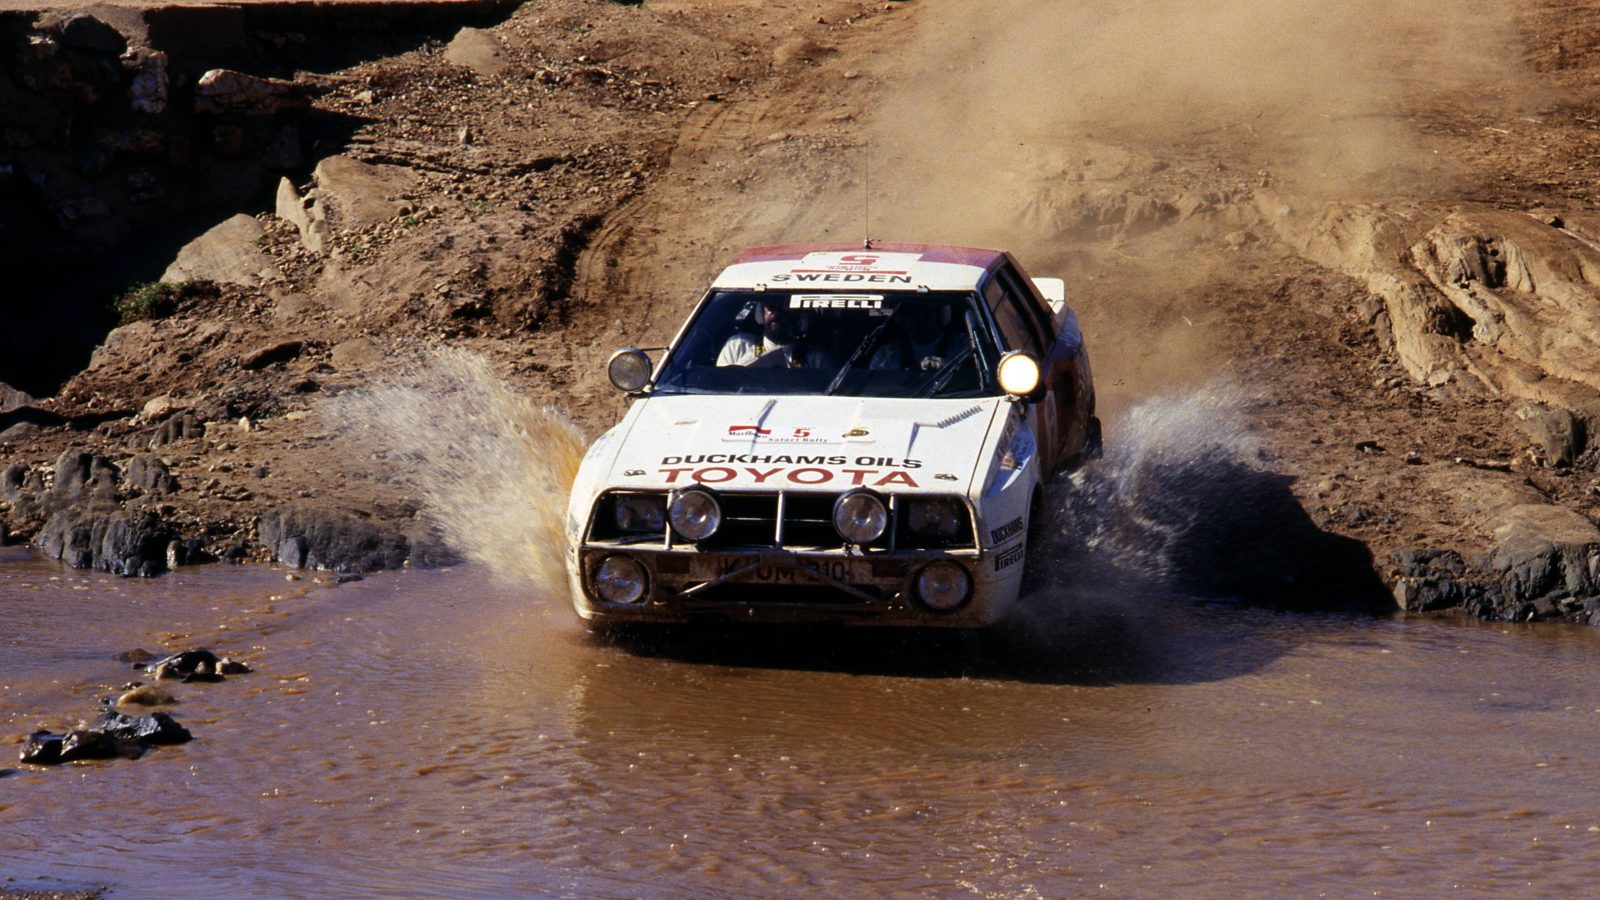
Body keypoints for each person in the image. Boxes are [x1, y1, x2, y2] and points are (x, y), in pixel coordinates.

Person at [717, 300, 827, 367]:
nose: (777, 313)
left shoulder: (816, 359)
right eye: (772, 307)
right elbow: (721, 384)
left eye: (786, 309)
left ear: (800, 317)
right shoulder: (738, 345)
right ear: (761, 313)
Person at [870, 302, 961, 371]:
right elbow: (875, 385)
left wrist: (950, 370)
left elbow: (968, 378)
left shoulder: (961, 346)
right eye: (910, 312)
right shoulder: (887, 355)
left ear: (939, 314)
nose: (918, 317)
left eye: (925, 311)